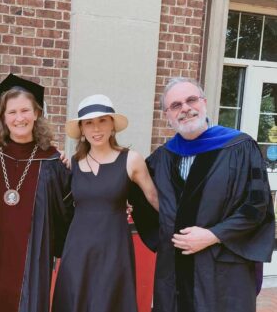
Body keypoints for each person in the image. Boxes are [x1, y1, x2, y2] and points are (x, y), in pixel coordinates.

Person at [130, 77, 276, 312]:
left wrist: (213, 235)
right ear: (167, 115)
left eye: (191, 100)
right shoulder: (162, 158)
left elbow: (256, 207)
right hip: (175, 271)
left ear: (204, 102)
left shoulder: (239, 147)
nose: (185, 108)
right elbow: (139, 196)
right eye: (176, 105)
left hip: (222, 270)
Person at [52, 94, 159, 312]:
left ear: (113, 125)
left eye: (102, 120)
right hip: (77, 250)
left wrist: (178, 229)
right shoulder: (72, 163)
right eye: (89, 123)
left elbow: (154, 199)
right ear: (81, 129)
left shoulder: (131, 160)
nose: (96, 128)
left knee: (108, 301)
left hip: (114, 249)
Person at [0, 73, 73, 312]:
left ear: (37, 113)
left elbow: (65, 214)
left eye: (25, 110)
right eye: (12, 112)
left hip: (33, 261)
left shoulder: (52, 162)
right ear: (2, 117)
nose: (19, 118)